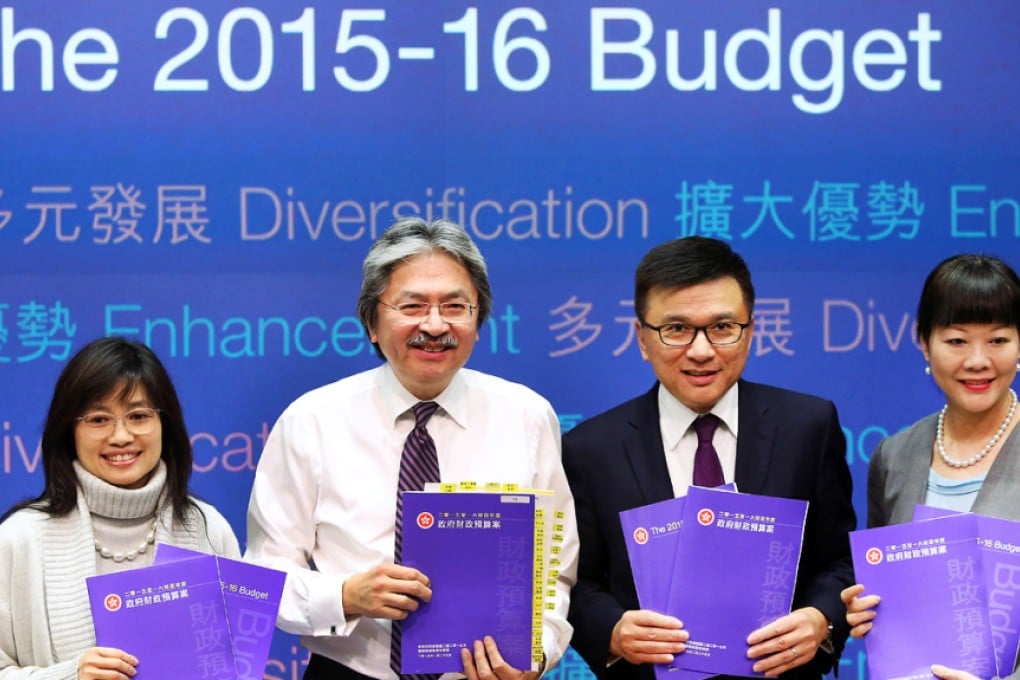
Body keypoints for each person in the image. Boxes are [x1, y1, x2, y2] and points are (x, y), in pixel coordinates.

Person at [244, 217, 578, 680]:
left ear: (478, 321)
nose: (435, 324)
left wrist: (535, 655)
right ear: (372, 323)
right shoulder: (311, 421)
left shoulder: (526, 415)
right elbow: (263, 578)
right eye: (413, 305)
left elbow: (554, 568)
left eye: (456, 306)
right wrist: (344, 596)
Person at [562, 236, 857, 680]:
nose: (701, 351)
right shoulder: (591, 448)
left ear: (751, 330)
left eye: (721, 327)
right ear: (642, 338)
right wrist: (613, 630)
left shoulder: (807, 426)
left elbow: (838, 559)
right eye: (676, 329)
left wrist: (822, 619)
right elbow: (576, 582)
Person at [0, 336, 240, 679]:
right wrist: (69, 676)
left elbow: (233, 662)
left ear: (164, 426)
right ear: (70, 431)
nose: (121, 436)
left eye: (139, 416)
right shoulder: (18, 539)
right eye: (99, 419)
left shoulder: (208, 529)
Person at [842, 253, 1020, 680]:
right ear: (924, 341)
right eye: (957, 340)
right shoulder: (894, 456)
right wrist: (865, 609)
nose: (978, 361)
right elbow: (886, 588)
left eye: (998, 340)